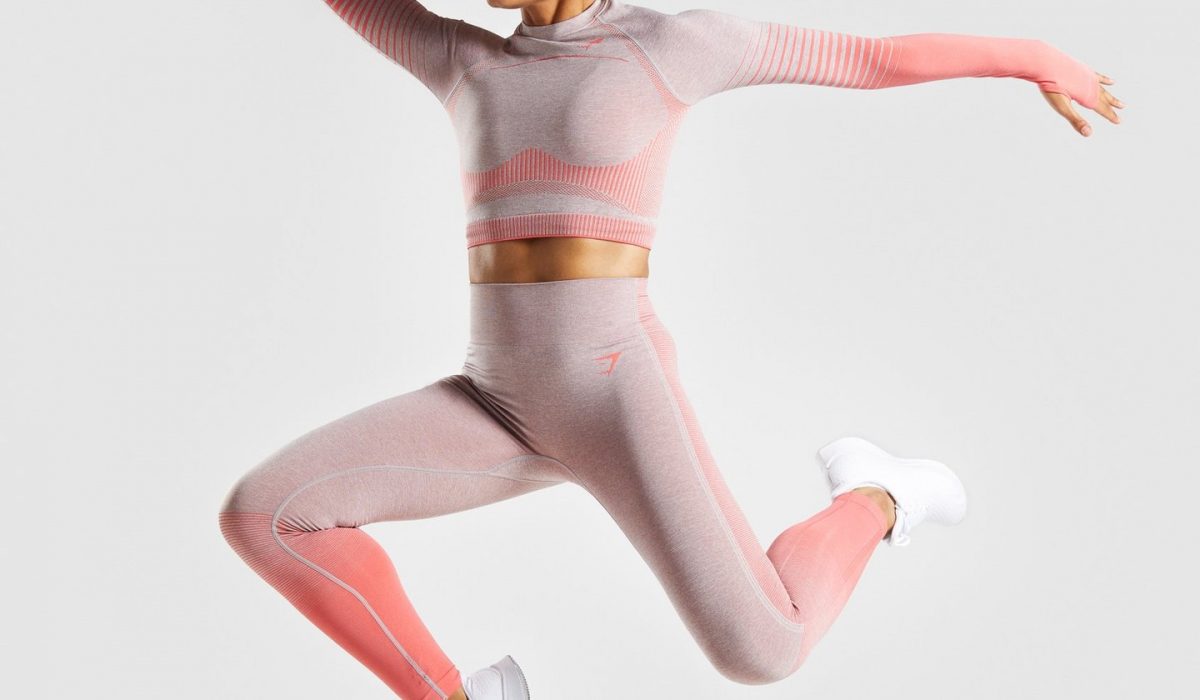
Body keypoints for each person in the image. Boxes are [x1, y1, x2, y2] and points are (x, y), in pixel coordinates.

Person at [217, 2, 1123, 699]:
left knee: (764, 650)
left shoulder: (671, 43)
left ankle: (879, 495)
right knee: (269, 513)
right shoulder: (462, 58)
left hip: (614, 390)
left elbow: (871, 60)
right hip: (493, 402)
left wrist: (1037, 57)